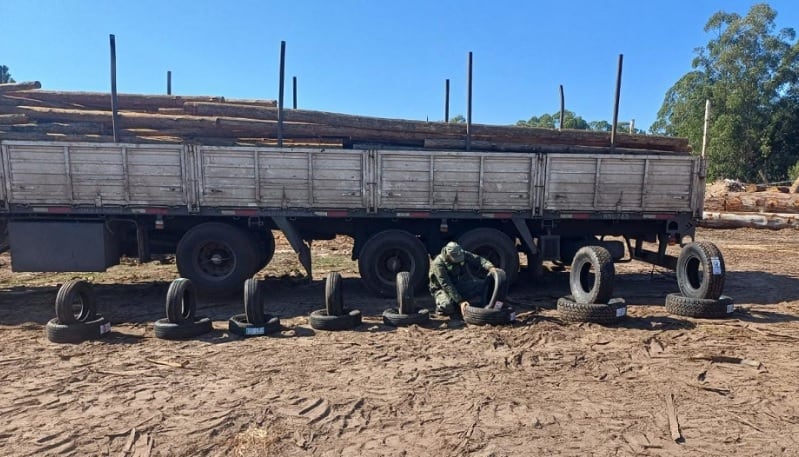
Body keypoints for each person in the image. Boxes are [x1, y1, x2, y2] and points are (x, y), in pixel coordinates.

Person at [429, 241, 496, 316]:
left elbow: (478, 259)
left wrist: (490, 267)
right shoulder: (438, 264)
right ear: (448, 255)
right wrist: (460, 301)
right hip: (441, 289)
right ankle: (440, 308)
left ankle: (459, 301)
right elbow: (447, 285)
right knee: (447, 306)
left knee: (483, 285)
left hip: (457, 284)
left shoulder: (461, 253)